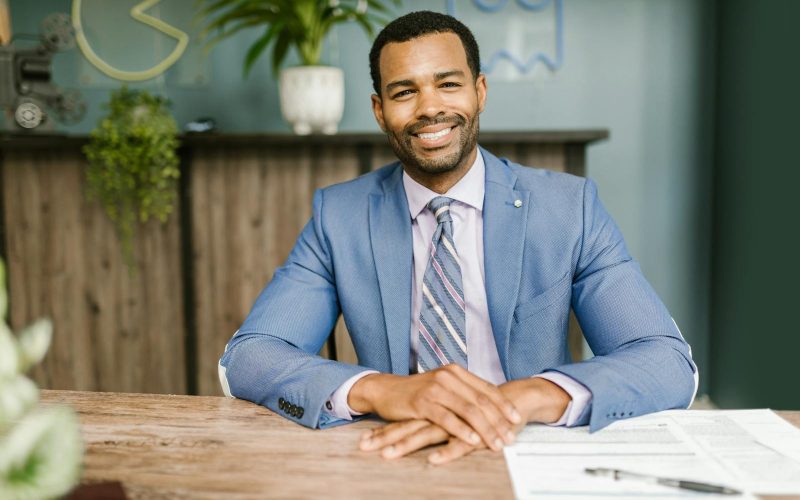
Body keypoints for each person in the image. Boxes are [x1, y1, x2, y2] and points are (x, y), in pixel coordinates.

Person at [218, 10, 698, 465]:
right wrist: (386, 390)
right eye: (404, 92)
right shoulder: (338, 216)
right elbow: (247, 357)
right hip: (393, 448)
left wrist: (522, 398)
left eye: (448, 84)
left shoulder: (569, 208)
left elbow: (667, 362)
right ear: (380, 110)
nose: (431, 108)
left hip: (531, 447)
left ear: (480, 91)